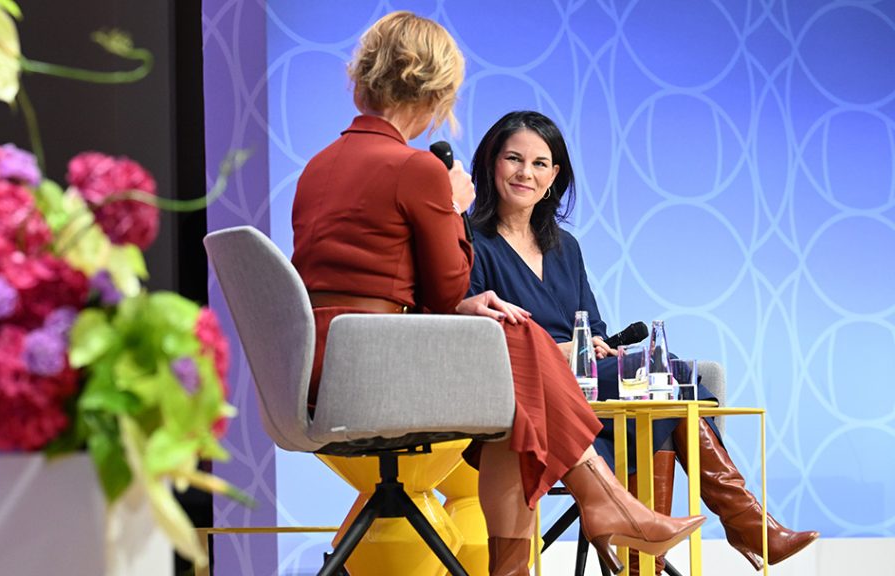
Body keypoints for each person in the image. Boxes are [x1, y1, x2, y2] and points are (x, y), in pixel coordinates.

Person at [291, 12, 704, 576]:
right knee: (520, 335)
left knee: (517, 408)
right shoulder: (416, 170)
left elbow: (388, 285)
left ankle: (574, 527)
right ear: (436, 91)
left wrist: (463, 304)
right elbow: (444, 291)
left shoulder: (317, 166)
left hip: (321, 369)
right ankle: (607, 501)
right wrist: (452, 203)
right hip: (378, 375)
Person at [465, 110, 819, 574]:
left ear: (554, 177)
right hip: (527, 394)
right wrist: (564, 352)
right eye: (513, 159)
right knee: (670, 378)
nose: (525, 173)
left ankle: (718, 528)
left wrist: (597, 348)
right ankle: (739, 525)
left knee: (667, 383)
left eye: (539, 163)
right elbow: (475, 341)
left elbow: (590, 324)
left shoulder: (564, 246)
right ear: (491, 164)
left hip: (586, 386)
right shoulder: (471, 240)